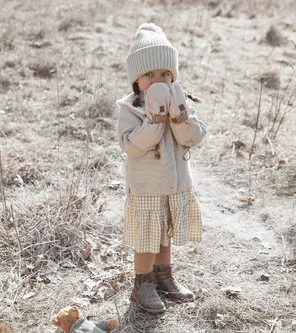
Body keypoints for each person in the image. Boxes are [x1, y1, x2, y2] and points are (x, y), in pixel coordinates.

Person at [116, 23, 207, 313]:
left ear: (173, 76)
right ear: (136, 80)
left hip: (175, 184)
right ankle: (142, 284)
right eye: (149, 75)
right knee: (147, 237)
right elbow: (131, 145)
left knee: (165, 231)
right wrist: (154, 121)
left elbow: (194, 137)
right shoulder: (130, 109)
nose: (158, 80)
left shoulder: (180, 103)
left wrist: (179, 116)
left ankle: (163, 275)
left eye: (165, 74)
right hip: (146, 188)